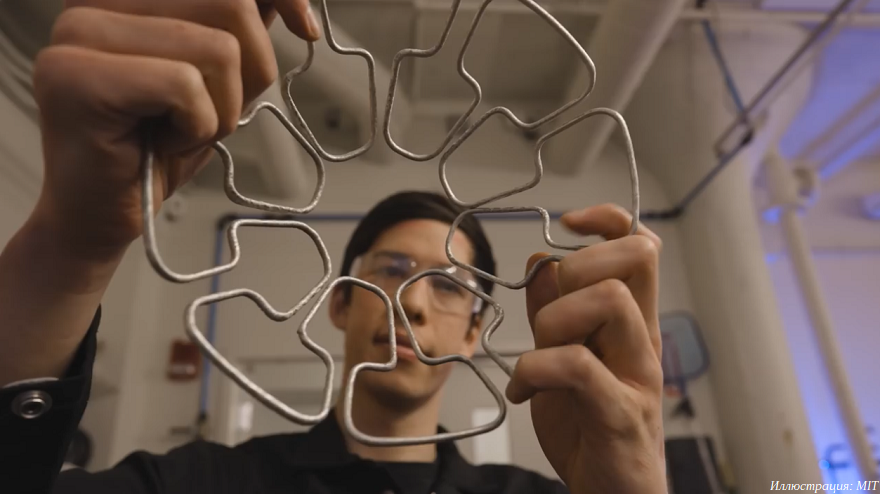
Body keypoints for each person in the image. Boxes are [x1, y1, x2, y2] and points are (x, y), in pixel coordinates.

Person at [0, 1, 667, 493]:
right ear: (340, 303)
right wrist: (70, 252)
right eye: (393, 269)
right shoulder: (204, 482)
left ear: (475, 332)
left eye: (448, 286)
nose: (411, 303)